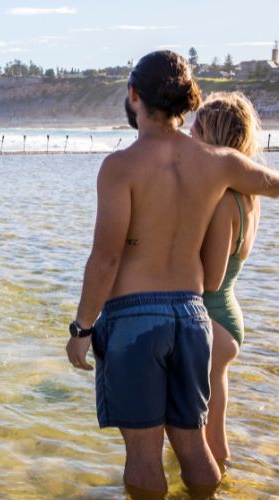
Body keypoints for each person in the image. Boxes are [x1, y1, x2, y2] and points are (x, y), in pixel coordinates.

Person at [65, 51, 279, 499]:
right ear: (186, 101)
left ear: (134, 96)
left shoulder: (119, 167)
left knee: (143, 458)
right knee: (194, 448)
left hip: (134, 322)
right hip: (193, 316)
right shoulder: (219, 161)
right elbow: (274, 184)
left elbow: (104, 261)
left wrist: (82, 328)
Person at [192, 92, 263, 472]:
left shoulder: (222, 201)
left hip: (213, 320)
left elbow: (213, 279)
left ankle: (212, 491)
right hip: (228, 318)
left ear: (212, 136)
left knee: (208, 442)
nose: (189, 133)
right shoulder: (248, 197)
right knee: (211, 433)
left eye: (196, 127)